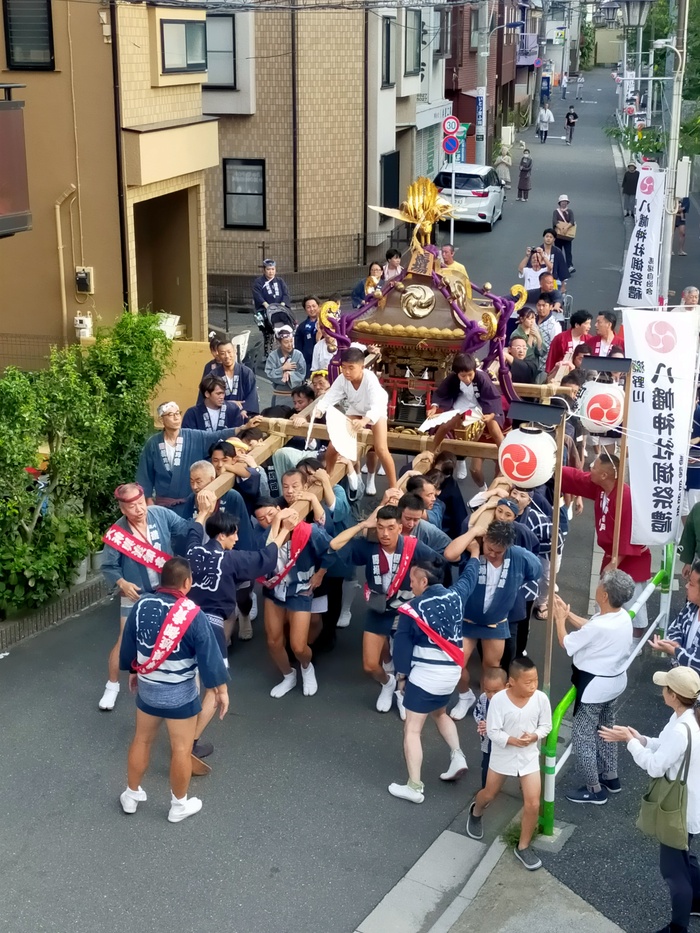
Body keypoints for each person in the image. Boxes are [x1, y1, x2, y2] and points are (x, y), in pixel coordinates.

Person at [118, 557, 230, 823]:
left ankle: (131, 795)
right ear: (187, 582)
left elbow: (129, 644)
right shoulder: (192, 613)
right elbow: (210, 657)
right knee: (180, 749)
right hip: (180, 693)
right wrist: (221, 690)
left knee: (141, 740)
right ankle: (178, 805)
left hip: (148, 688)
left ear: (161, 581)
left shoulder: (142, 604)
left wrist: (133, 671)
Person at [600, 666, 700, 933]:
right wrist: (638, 738)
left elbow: (655, 767)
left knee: (673, 872)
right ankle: (697, 900)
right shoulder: (686, 717)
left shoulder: (682, 727)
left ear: (675, 695)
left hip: (678, 809)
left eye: (665, 687)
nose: (662, 690)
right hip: (689, 804)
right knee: (684, 859)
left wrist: (629, 743)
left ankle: (677, 928)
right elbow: (663, 746)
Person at [388, 548, 481, 803]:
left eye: (414, 580)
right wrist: (475, 554)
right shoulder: (455, 595)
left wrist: (402, 678)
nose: (411, 584)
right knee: (440, 713)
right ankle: (457, 756)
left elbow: (403, 647)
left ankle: (414, 786)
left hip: (426, 675)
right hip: (451, 673)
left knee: (412, 730)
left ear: (424, 581)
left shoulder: (411, 609)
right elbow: (470, 578)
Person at [329, 505, 443, 713]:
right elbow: (335, 545)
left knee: (404, 658)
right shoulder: (369, 546)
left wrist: (420, 580)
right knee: (370, 665)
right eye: (380, 527)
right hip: (379, 608)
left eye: (391, 527)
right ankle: (387, 683)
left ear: (400, 527)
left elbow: (439, 563)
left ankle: (402, 692)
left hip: (405, 610)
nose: (385, 534)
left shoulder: (412, 546)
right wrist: (363, 525)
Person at [100, 483, 195, 711]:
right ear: (123, 509)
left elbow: (186, 529)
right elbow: (108, 566)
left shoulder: (160, 514)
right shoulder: (117, 533)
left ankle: (170, 684)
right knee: (125, 639)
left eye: (141, 503)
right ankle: (111, 686)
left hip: (166, 590)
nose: (139, 510)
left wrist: (202, 514)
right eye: (132, 507)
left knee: (172, 635)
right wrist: (121, 582)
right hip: (135, 594)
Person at [443, 520, 542, 720]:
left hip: (496, 621)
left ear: (508, 546)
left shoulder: (518, 555)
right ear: (485, 539)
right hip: (467, 619)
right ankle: (464, 696)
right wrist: (473, 533)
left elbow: (536, 571)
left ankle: (485, 703)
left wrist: (514, 586)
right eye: (489, 548)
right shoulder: (474, 546)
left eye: (499, 551)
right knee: (456, 664)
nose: (492, 554)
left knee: (492, 667)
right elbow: (449, 554)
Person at [553, 570, 635, 804]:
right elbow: (592, 628)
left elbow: (567, 643)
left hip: (594, 686)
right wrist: (569, 616)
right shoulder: (622, 616)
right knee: (606, 730)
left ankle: (594, 789)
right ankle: (611, 776)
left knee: (583, 736)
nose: (598, 587)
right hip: (615, 681)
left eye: (600, 585)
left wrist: (560, 619)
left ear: (605, 595)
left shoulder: (600, 626)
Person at [466, 656, 552, 871]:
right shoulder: (498, 700)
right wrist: (513, 741)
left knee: (532, 803)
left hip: (529, 756)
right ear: (512, 682)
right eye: (527, 682)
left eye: (535, 680)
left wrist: (533, 737)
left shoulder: (541, 699)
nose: (533, 686)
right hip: (502, 756)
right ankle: (476, 811)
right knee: (489, 794)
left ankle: (523, 847)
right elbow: (493, 731)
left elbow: (546, 725)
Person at [562, 453, 652, 639]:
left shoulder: (625, 496)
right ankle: (607, 638)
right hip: (612, 555)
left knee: (631, 605)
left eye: (593, 467)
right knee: (604, 601)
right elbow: (578, 479)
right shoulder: (600, 486)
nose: (590, 470)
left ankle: (634, 644)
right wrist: (552, 469)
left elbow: (629, 533)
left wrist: (614, 562)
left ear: (604, 475)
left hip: (630, 558)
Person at [252, 497, 333, 698]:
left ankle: (306, 667)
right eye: (262, 518)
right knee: (273, 641)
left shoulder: (308, 531)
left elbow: (330, 550)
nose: (268, 520)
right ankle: (288, 675)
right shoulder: (263, 537)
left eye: (272, 513)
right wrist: (277, 525)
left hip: (300, 589)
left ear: (281, 510)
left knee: (298, 645)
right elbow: (261, 557)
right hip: (274, 589)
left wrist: (320, 573)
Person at [308, 347, 397, 488]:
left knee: (380, 448)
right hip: (355, 408)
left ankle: (394, 487)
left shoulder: (370, 379)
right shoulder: (342, 378)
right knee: (333, 445)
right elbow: (330, 396)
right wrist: (320, 409)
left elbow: (377, 404)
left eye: (351, 368)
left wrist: (364, 421)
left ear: (362, 367)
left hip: (376, 410)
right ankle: (328, 476)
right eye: (343, 367)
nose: (347, 372)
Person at [136, 403, 239, 515]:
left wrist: (242, 428)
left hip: (191, 503)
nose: (176, 417)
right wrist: (148, 499)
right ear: (162, 420)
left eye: (178, 413)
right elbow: (145, 474)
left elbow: (216, 436)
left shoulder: (193, 436)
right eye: (171, 414)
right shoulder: (153, 443)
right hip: (163, 505)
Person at [430, 352, 505, 491]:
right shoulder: (452, 378)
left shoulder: (482, 377)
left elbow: (492, 398)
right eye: (463, 376)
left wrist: (491, 414)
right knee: (447, 424)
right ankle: (432, 450)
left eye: (470, 374)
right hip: (463, 400)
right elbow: (441, 393)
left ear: (474, 370)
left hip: (482, 402)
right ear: (456, 373)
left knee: (493, 426)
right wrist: (434, 407)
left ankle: (505, 452)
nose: (467, 378)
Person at [651, 560, 700, 673]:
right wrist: (676, 643)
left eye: (691, 584)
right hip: (683, 678)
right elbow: (675, 627)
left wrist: (675, 650)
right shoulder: (691, 606)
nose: (687, 586)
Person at [473, 667, 508, 787]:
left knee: (510, 765)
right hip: (488, 743)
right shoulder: (483, 698)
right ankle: (485, 789)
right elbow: (477, 712)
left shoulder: (509, 702)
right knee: (487, 766)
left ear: (506, 686)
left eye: (496, 691)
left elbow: (510, 722)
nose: (491, 695)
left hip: (506, 744)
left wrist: (491, 725)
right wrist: (482, 722)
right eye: (488, 691)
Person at [208, 337, 259, 414]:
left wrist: (245, 410)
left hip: (242, 415)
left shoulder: (246, 373)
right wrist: (229, 404)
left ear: (235, 352)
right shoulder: (213, 375)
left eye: (229, 352)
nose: (227, 356)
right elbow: (208, 399)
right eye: (222, 353)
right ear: (218, 355)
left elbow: (252, 397)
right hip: (220, 416)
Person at [264, 325, 307, 407]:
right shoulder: (273, 356)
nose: (289, 344)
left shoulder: (298, 355)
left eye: (291, 341)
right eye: (286, 342)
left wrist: (289, 374)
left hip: (296, 395)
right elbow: (269, 373)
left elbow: (302, 373)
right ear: (279, 342)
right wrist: (282, 369)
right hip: (279, 394)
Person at [545, 309, 592, 373]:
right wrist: (549, 374)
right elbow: (552, 357)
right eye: (586, 323)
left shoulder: (589, 339)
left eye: (589, 324)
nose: (589, 327)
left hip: (583, 373)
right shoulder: (560, 338)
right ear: (577, 325)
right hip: (562, 372)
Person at [294, 295, 321, 372]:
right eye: (308, 307)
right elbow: (298, 348)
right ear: (305, 309)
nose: (312, 309)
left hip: (323, 362)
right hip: (308, 364)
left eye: (314, 306)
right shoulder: (302, 327)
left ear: (318, 306)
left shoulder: (326, 324)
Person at [533, 294, 562, 364]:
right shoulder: (532, 319)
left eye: (544, 305)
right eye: (539, 305)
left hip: (545, 364)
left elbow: (555, 347)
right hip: (531, 362)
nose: (541, 308)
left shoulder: (554, 325)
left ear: (551, 307)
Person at [553, 195, 576, 273]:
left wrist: (566, 228)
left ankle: (569, 266)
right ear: (560, 203)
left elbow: (572, 221)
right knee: (558, 251)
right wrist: (561, 228)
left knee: (568, 251)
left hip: (567, 236)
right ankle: (558, 265)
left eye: (565, 202)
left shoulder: (570, 211)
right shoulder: (556, 212)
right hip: (558, 236)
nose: (564, 203)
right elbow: (555, 222)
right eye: (562, 202)